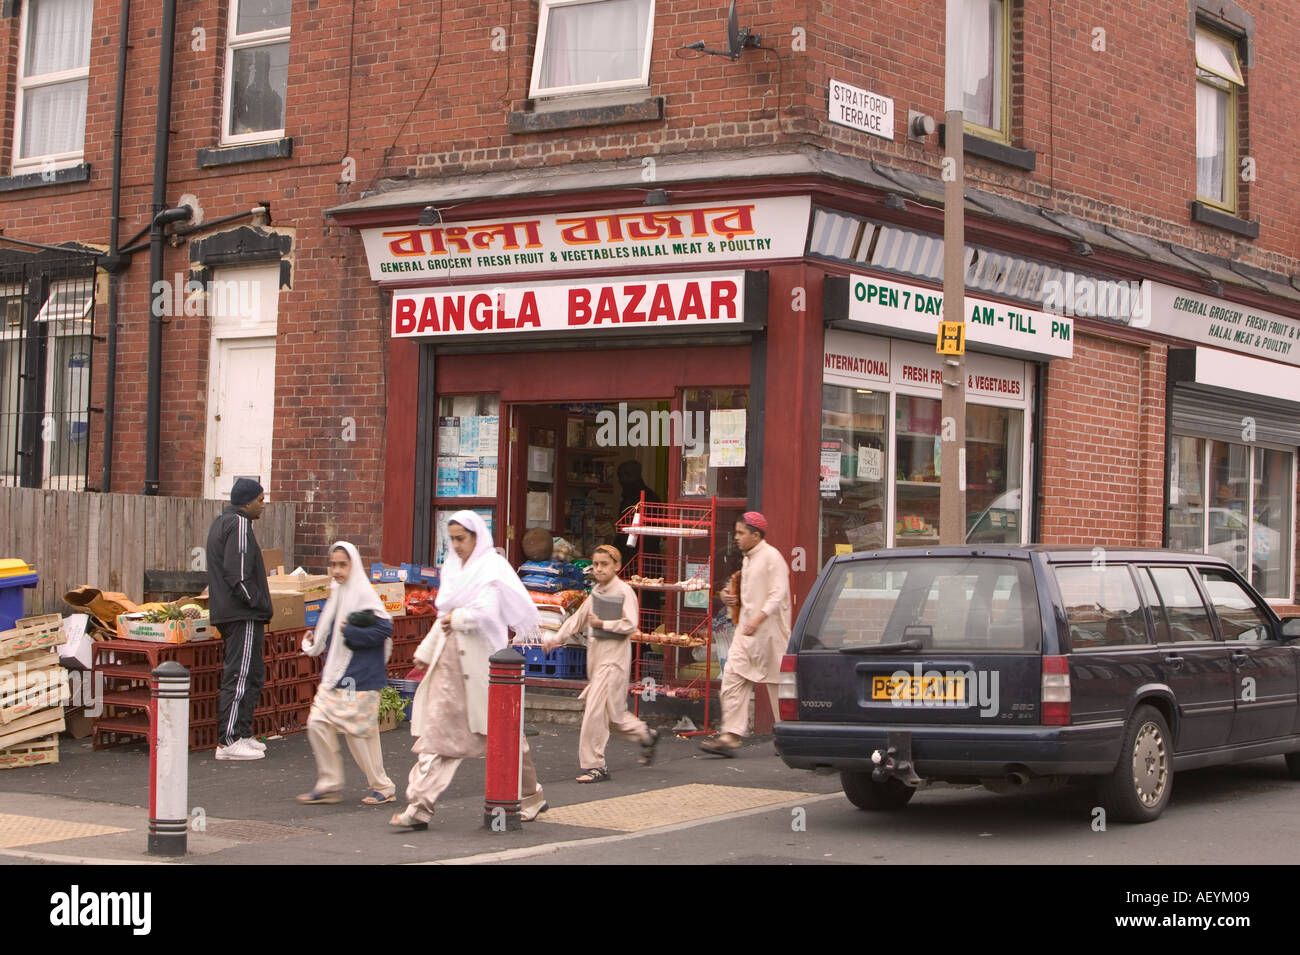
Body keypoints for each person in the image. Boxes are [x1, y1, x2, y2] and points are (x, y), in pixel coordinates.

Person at [391, 510, 548, 829]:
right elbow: (443, 616)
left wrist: (457, 619)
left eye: (462, 538)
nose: (457, 545)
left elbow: (488, 614)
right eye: (452, 539)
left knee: (505, 737)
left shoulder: (491, 568)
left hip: (482, 666)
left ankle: (530, 795)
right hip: (448, 667)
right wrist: (426, 650)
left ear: (477, 537)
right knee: (437, 736)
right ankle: (419, 804)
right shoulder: (452, 568)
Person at [542, 544, 658, 783]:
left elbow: (630, 625)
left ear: (616, 566)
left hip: (613, 662)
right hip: (597, 661)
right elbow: (578, 619)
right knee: (614, 717)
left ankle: (596, 766)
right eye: (595, 564)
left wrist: (603, 624)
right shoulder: (596, 591)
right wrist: (557, 638)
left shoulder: (624, 591)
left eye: (604, 564)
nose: (599, 569)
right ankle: (645, 734)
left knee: (594, 712)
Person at [297, 542, 397, 806]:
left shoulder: (364, 595)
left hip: (361, 674)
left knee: (359, 733)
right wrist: (315, 639)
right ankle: (329, 783)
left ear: (353, 564)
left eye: (343, 564)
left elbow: (384, 629)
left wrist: (349, 632)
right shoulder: (337, 593)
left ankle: (382, 786)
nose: (337, 570)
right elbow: (329, 626)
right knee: (318, 722)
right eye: (333, 565)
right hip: (336, 673)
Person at [700, 511, 791, 757]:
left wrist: (759, 618)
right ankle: (730, 736)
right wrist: (729, 597)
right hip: (747, 632)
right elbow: (747, 592)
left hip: (771, 634)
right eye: (736, 533)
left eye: (741, 533)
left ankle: (789, 738)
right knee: (732, 678)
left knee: (778, 687)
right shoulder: (749, 558)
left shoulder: (773, 557)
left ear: (756, 534)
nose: (736, 538)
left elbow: (777, 594)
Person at [206, 478, 274, 761]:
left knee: (252, 672)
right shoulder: (241, 525)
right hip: (241, 613)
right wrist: (257, 602)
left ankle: (242, 732)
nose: (263, 504)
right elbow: (239, 574)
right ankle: (229, 740)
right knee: (241, 673)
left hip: (231, 611)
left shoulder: (222, 522)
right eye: (260, 499)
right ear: (246, 502)